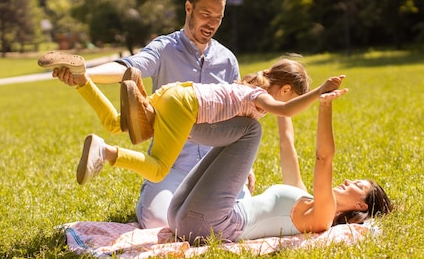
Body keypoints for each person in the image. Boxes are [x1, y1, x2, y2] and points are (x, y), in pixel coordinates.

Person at [44, 0, 248, 229]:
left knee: (241, 218)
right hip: (171, 166)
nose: (213, 24)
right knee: (157, 223)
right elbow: (129, 67)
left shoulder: (228, 60)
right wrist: (85, 73)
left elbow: (239, 117)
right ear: (188, 8)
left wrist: (245, 166)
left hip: (212, 166)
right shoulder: (165, 49)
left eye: (219, 17)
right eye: (206, 14)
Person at [166, 84, 393, 243]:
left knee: (250, 130)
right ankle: (167, 123)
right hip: (179, 216)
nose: (347, 180)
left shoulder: (323, 216)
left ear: (361, 206)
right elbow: (287, 145)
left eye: (358, 185)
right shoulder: (303, 195)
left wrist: (325, 106)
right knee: (243, 126)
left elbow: (324, 159)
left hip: (211, 226)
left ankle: (168, 123)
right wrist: (281, 101)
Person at [64, 58, 343, 186]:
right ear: (284, 90)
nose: (287, 101)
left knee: (117, 123)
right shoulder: (259, 96)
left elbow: (225, 135)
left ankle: (82, 80)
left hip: (174, 93)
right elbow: (286, 111)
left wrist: (243, 167)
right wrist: (320, 91)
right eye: (290, 95)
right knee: (159, 170)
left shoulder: (246, 88)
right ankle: (107, 152)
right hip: (185, 106)